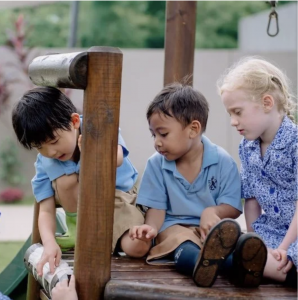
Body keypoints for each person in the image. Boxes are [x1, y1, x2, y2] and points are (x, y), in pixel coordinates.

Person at [12, 87, 147, 276]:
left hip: (117, 203)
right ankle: (81, 234)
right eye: (39, 147)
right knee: (65, 179)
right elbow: (46, 209)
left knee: (136, 248)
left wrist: (92, 152)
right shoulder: (46, 161)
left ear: (74, 121)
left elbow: (117, 158)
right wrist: (49, 243)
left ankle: (135, 232)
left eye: (53, 141)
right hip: (81, 216)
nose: (50, 152)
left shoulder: (96, 128)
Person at [129, 82, 245, 287]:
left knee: (228, 239)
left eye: (163, 134)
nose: (156, 142)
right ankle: (198, 265)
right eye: (153, 134)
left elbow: (234, 207)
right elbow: (157, 210)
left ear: (193, 129)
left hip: (210, 230)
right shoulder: (156, 164)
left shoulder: (222, 161)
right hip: (174, 227)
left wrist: (213, 211)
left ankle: (239, 266)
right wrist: (151, 228)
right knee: (181, 241)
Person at [218, 57, 297, 287]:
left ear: (267, 102)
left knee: (278, 260)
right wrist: (256, 242)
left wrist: (283, 248)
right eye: (230, 114)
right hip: (270, 231)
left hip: (294, 235)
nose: (233, 122)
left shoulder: (294, 144)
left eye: (238, 112)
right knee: (239, 247)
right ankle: (253, 263)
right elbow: (251, 200)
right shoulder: (247, 147)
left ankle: (274, 270)